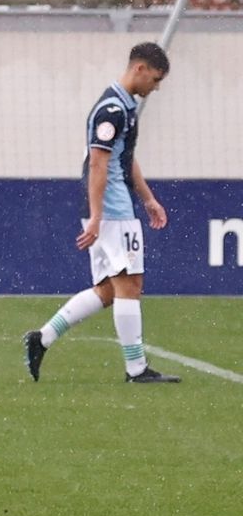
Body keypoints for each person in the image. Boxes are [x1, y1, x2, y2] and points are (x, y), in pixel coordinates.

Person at [25, 43, 179, 384]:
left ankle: (42, 338)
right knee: (130, 284)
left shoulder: (125, 107)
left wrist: (149, 198)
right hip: (112, 209)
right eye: (155, 78)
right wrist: (96, 217)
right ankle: (136, 369)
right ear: (139, 69)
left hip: (114, 207)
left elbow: (125, 156)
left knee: (110, 290)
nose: (156, 86)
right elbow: (98, 162)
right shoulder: (112, 109)